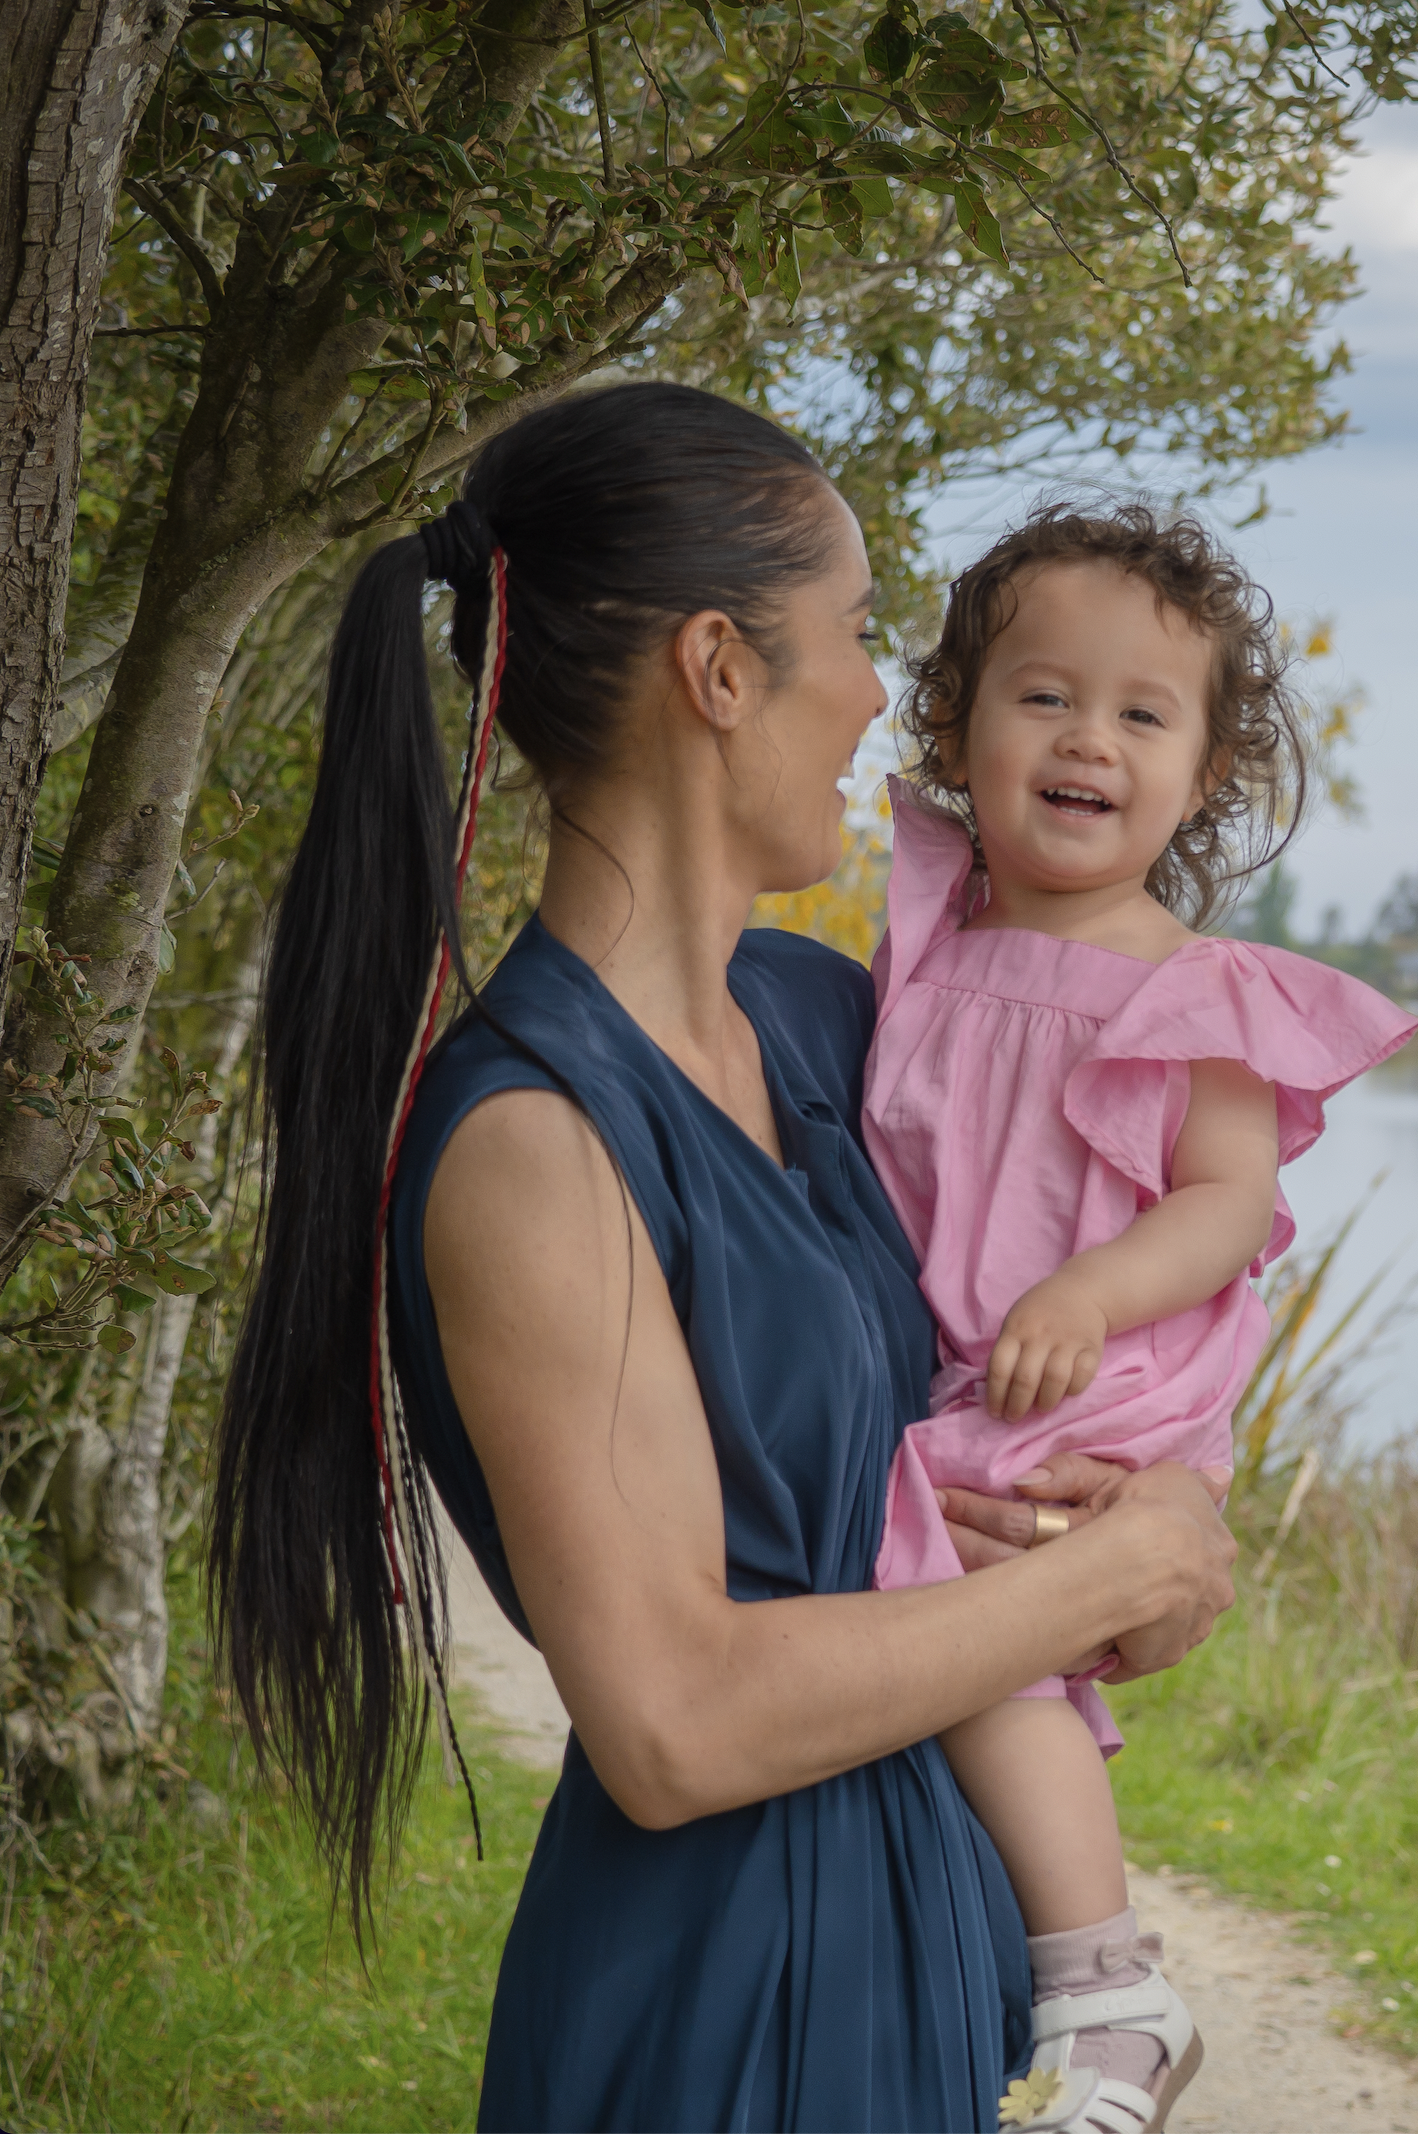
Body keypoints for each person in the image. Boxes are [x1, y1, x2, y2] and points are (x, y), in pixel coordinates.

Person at [210, 386, 1236, 2134]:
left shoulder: (830, 1021)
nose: (871, 695)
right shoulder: (533, 1137)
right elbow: (672, 1718)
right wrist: (1089, 1580)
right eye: (847, 632)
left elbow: (1057, 1327)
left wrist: (1144, 1546)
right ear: (718, 670)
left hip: (925, 1945)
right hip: (727, 2007)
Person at [862, 504, 1417, 2134]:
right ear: (956, 725)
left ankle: (1107, 1985)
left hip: (1096, 1361)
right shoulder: (924, 941)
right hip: (974, 1363)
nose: (1086, 736)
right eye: (1041, 695)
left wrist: (1081, 1291)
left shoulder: (1191, 990)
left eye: (1140, 712)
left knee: (966, 1625)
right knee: (933, 1609)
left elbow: (1224, 1204)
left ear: (1201, 773)